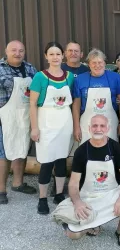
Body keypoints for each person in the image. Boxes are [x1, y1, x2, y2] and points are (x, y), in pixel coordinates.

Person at [52, 114, 120, 247]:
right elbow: (74, 183)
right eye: (95, 125)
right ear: (89, 128)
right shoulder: (81, 151)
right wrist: (77, 202)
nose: (98, 129)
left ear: (107, 128)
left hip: (111, 195)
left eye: (102, 126)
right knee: (73, 234)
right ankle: (93, 223)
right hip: (88, 199)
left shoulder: (115, 148)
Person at [29, 42, 75, 214]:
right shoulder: (40, 77)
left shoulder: (69, 76)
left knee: (62, 159)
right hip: (46, 122)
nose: (55, 57)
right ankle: (42, 198)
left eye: (58, 54)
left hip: (64, 122)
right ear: (46, 56)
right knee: (47, 162)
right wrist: (34, 128)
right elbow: (32, 103)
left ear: (63, 55)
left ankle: (58, 194)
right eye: (51, 54)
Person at [0, 40, 37, 204]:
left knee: (21, 148)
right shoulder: (0, 69)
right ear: (6, 52)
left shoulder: (30, 69)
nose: (17, 53)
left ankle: (18, 183)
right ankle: (1, 190)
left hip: (25, 116)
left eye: (21, 50)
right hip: (5, 117)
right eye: (13, 50)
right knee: (4, 153)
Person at [72, 49, 120, 145]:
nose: (97, 65)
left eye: (100, 62)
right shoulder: (80, 79)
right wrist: (76, 126)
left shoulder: (115, 77)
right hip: (87, 124)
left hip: (110, 123)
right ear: (89, 64)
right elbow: (76, 105)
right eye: (94, 63)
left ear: (105, 63)